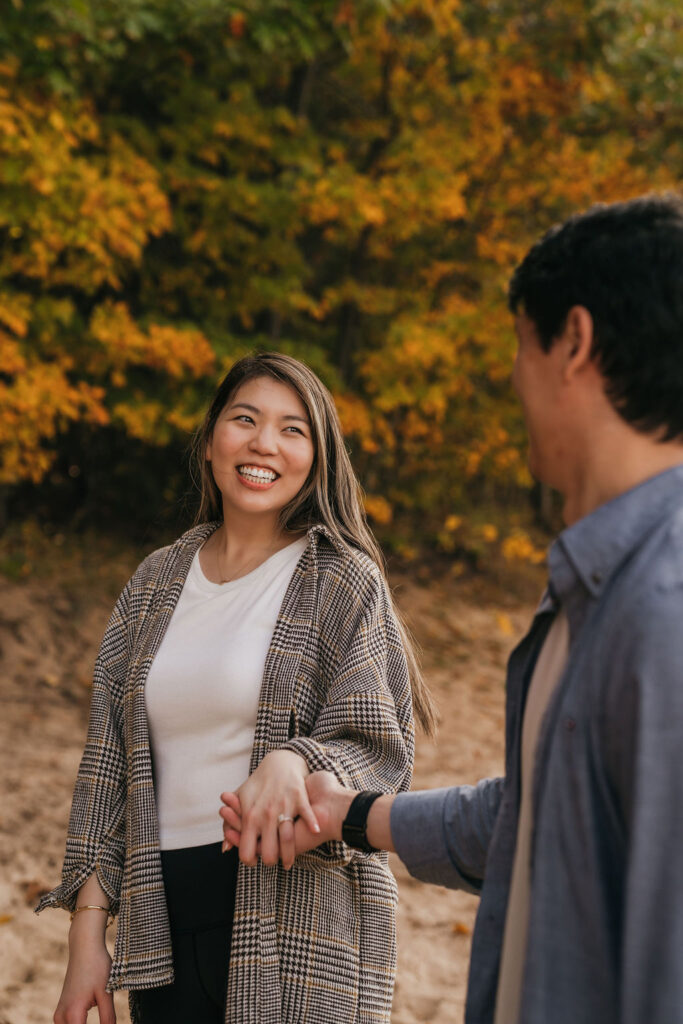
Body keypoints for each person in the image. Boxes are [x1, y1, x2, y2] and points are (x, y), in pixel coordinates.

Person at [222, 194, 683, 1024]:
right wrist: (354, 816)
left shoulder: (663, 611)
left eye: (519, 344)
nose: (512, 376)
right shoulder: (594, 583)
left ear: (572, 342)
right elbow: (539, 816)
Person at [38, 352, 437, 1024]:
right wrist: (87, 934)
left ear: (317, 456)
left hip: (298, 916)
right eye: (244, 420)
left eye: (292, 429)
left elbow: (381, 748)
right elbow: (106, 772)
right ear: (210, 441)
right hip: (160, 921)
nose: (263, 444)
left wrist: (296, 758)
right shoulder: (154, 583)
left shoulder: (343, 581)